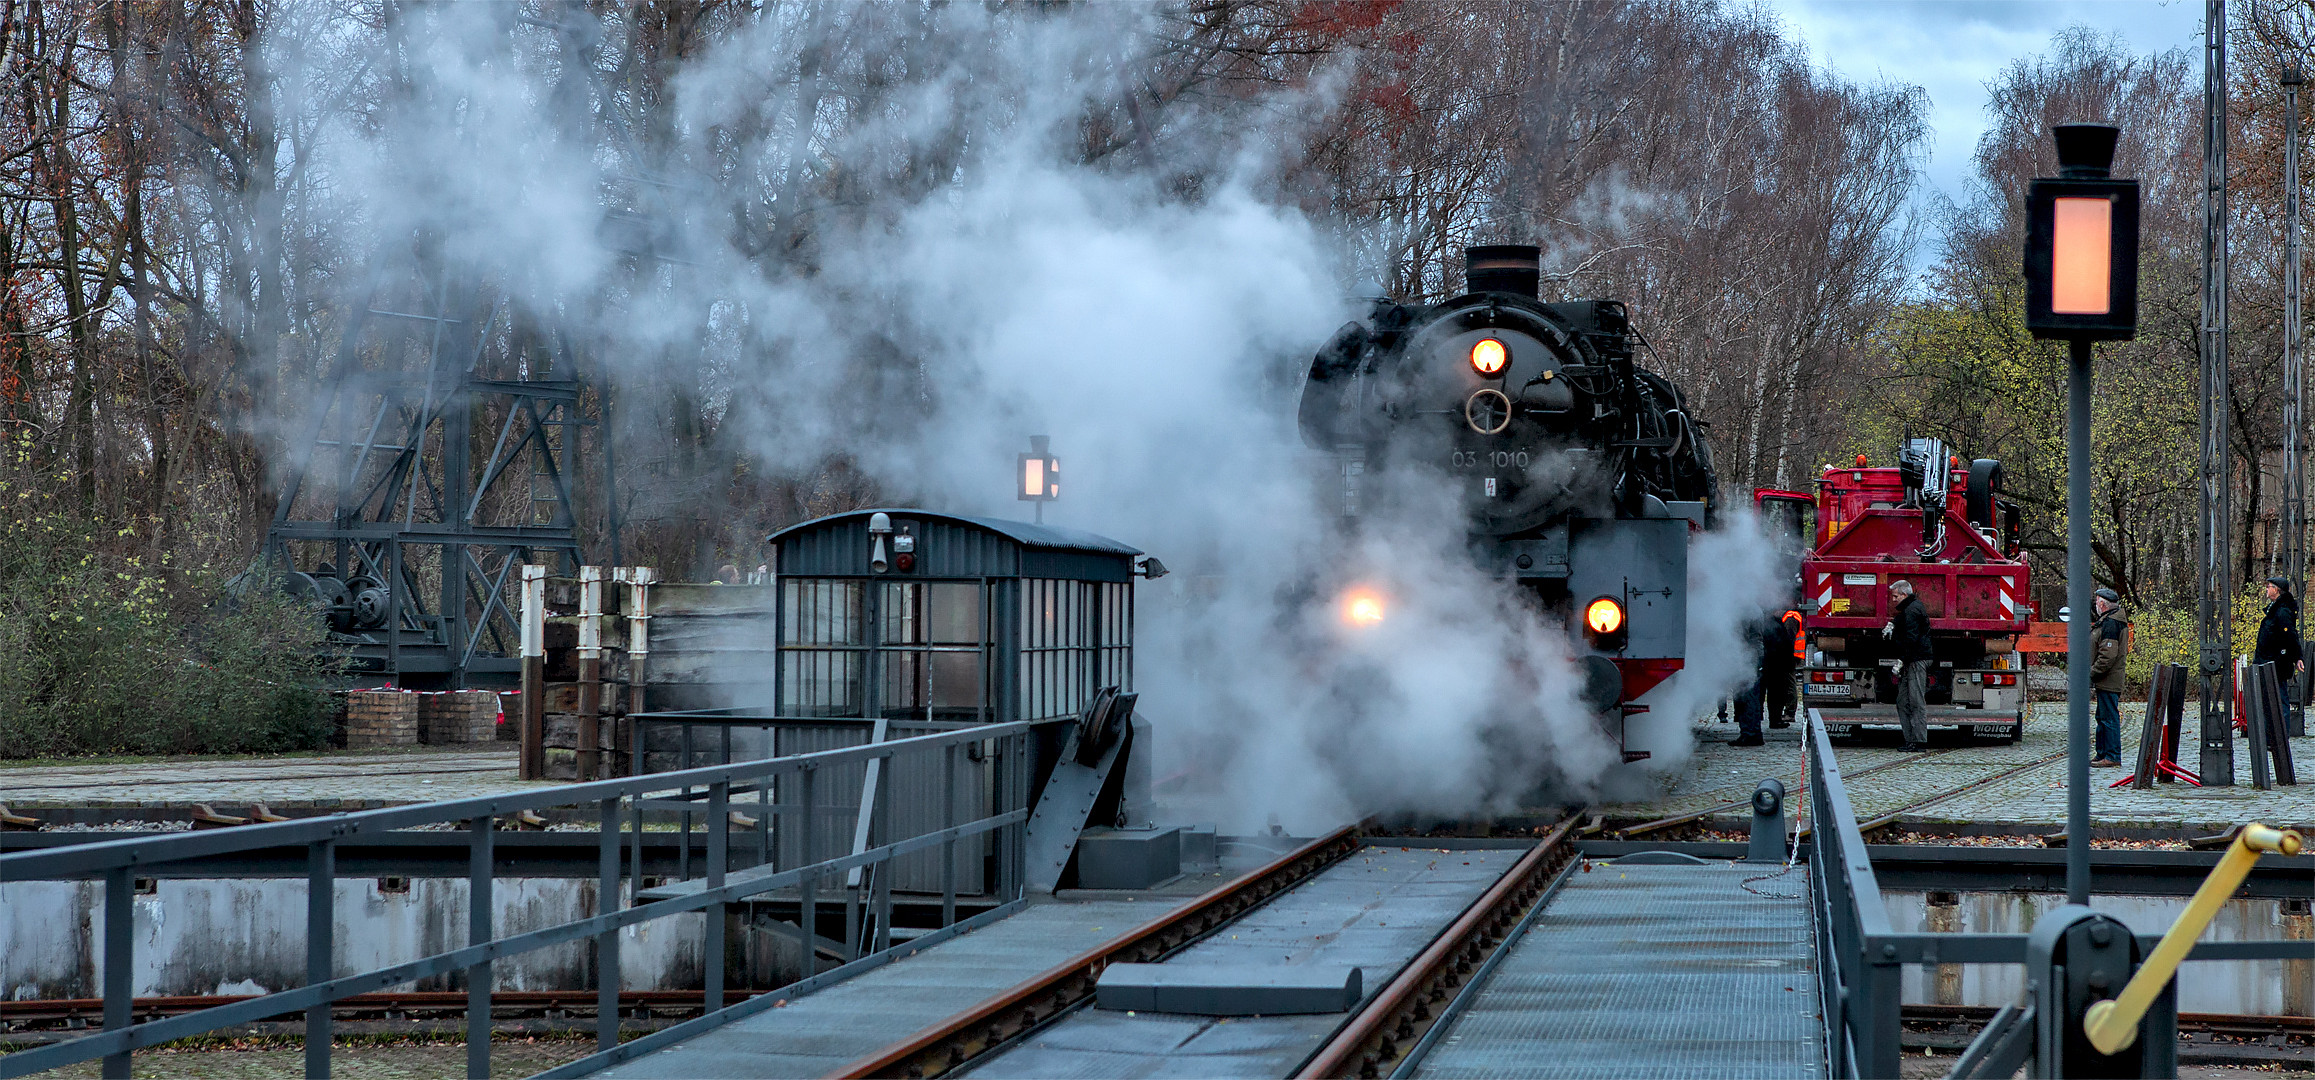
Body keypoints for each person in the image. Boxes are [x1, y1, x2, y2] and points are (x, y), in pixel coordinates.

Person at [1886, 579, 1934, 751]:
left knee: (1915, 701)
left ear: (1904, 594)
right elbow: (1906, 620)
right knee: (1903, 701)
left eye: (1895, 596)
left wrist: (1901, 660)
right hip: (1913, 659)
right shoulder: (1912, 607)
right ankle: (1912, 740)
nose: (1893, 600)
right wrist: (1894, 623)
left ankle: (1919, 741)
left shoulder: (1912, 610)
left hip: (1916, 660)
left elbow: (1911, 639)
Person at [2087, 588, 2129, 767]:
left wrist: (2091, 674)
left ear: (2102, 604)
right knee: (2102, 716)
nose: (2095, 605)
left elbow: (2107, 656)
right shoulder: (2109, 621)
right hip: (2106, 679)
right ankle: (2103, 753)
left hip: (2108, 679)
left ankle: (2111, 756)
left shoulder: (2111, 624)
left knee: (2109, 718)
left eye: (2097, 602)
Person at [2256, 576, 2304, 731]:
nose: (2267, 589)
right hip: (2268, 661)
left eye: (2269, 586)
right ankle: (2272, 734)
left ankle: (2281, 735)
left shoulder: (2282, 611)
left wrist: (2297, 657)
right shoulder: (2274, 609)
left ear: (2276, 590)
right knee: (2270, 700)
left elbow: (2290, 635)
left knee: (2280, 699)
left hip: (2276, 663)